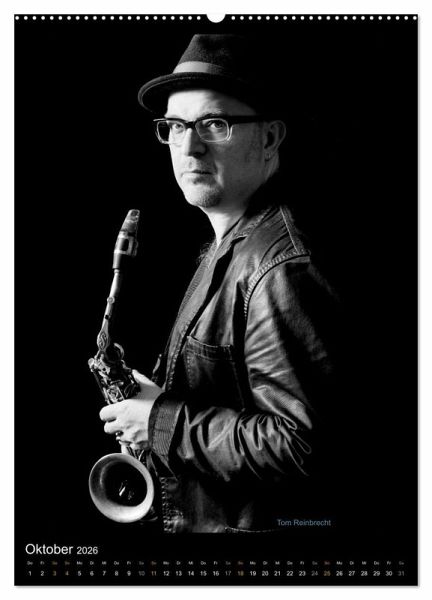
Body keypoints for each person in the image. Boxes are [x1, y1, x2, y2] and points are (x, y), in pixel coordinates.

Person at [99, 34, 342, 533]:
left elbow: (299, 446)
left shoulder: (282, 268)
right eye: (175, 126)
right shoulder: (231, 239)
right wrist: (154, 395)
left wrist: (159, 422)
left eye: (215, 124)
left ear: (270, 138)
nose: (189, 147)